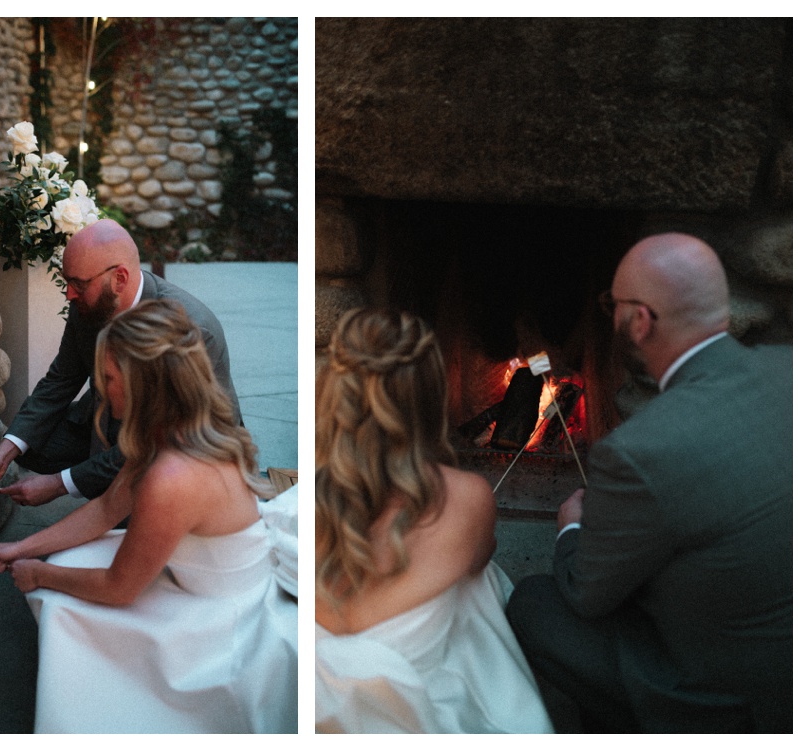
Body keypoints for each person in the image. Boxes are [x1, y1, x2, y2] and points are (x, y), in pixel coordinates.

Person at [505, 232, 792, 733]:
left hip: (734, 704)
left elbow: (587, 594)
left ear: (639, 321)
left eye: (610, 305)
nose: (609, 315)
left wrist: (572, 527)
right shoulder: (793, 367)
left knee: (534, 601)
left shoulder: (640, 450)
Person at [0, 299, 297, 733]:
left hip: (222, 609)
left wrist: (37, 574)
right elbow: (107, 509)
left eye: (108, 377)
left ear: (144, 383)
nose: (102, 390)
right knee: (66, 562)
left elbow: (120, 588)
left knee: (62, 599)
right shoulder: (167, 430)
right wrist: (20, 548)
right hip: (194, 568)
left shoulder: (173, 475)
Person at [314, 307, 553, 733]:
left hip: (316, 693)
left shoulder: (300, 503)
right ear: (429, 396)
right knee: (479, 578)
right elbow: (481, 559)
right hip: (417, 699)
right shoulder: (467, 497)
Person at [0, 218, 238, 506]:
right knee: (31, 445)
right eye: (66, 281)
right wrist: (5, 451)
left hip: (174, 447)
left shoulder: (191, 330)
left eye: (79, 285)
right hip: (104, 420)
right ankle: (97, 475)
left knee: (128, 511)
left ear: (119, 278)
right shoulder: (87, 304)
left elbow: (156, 443)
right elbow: (61, 379)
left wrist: (60, 484)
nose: (69, 294)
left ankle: (114, 489)